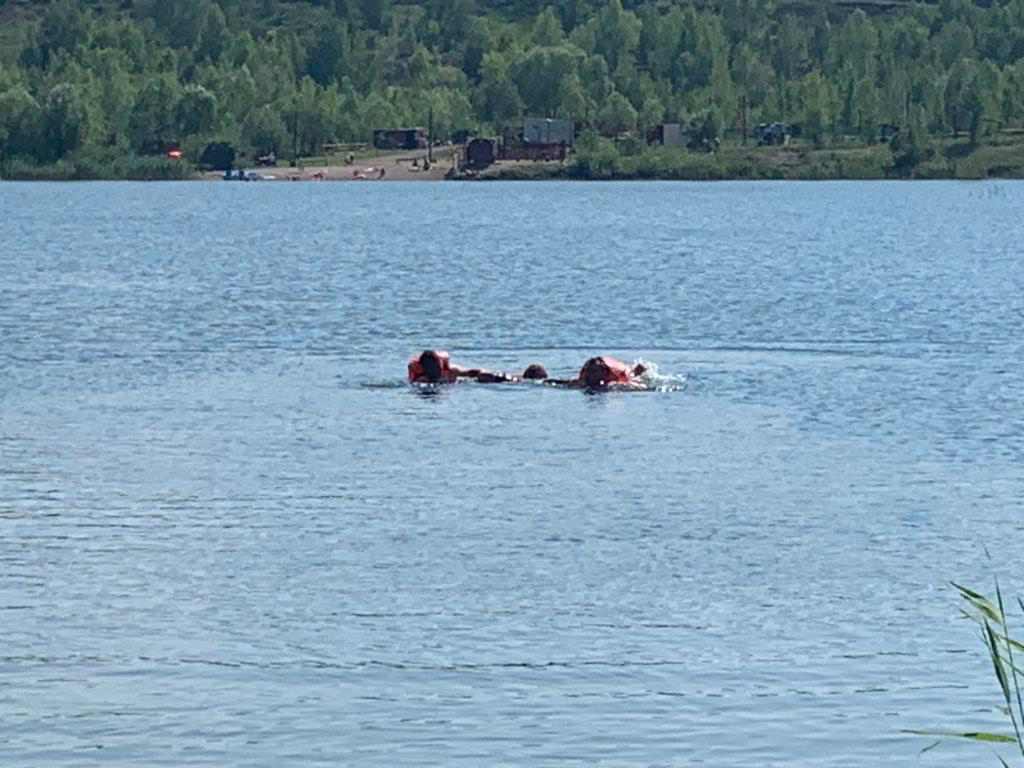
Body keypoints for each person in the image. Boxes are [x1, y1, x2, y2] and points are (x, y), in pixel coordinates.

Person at [407, 350, 547, 385]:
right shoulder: (420, 381)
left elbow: (471, 372)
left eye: (438, 366)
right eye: (433, 368)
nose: (437, 370)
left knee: (484, 376)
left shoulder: (451, 371)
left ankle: (522, 378)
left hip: (471, 383)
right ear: (425, 368)